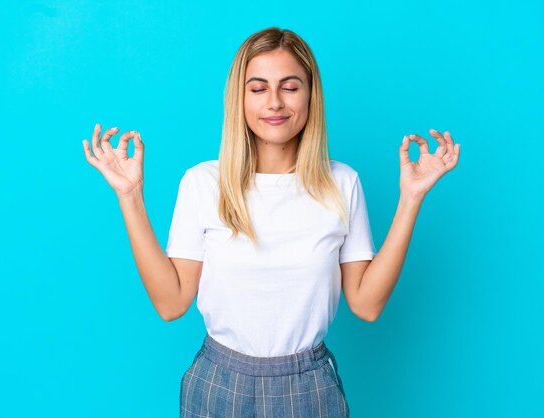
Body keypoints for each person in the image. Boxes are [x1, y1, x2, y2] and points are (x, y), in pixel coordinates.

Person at [82, 27, 460, 418]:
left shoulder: (342, 183)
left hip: (308, 386)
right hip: (218, 383)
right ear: (239, 99)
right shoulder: (202, 183)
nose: (275, 102)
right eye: (258, 88)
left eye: (290, 87)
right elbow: (170, 302)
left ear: (311, 95)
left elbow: (366, 304)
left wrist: (411, 198)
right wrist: (129, 195)